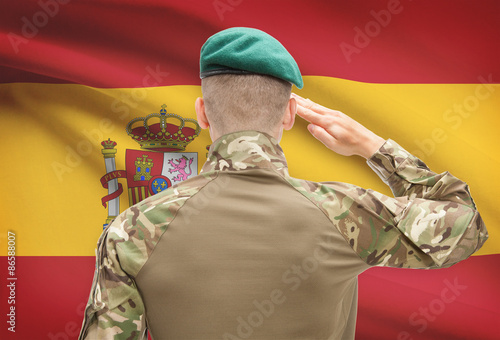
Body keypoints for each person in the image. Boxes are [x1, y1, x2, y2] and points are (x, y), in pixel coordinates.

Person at [78, 27, 488, 340]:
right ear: (290, 114)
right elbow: (466, 224)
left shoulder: (130, 230)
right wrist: (373, 147)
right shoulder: (345, 214)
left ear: (203, 113)